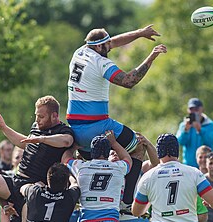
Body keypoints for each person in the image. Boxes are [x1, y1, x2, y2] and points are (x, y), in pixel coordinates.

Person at [67, 25, 166, 207]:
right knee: (137, 145)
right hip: (98, 125)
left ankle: (91, 200)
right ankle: (127, 201)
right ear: (98, 47)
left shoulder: (79, 52)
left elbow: (111, 41)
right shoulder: (101, 63)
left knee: (98, 162)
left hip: (76, 129)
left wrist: (139, 33)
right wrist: (152, 57)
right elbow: (129, 81)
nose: (110, 47)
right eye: (107, 45)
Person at [176, 98, 213, 168]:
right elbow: (179, 142)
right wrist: (185, 130)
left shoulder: (210, 124)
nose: (194, 112)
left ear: (202, 109)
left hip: (206, 166)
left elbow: (210, 141)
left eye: (196, 109)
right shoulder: (184, 125)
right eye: (191, 109)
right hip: (189, 165)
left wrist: (200, 130)